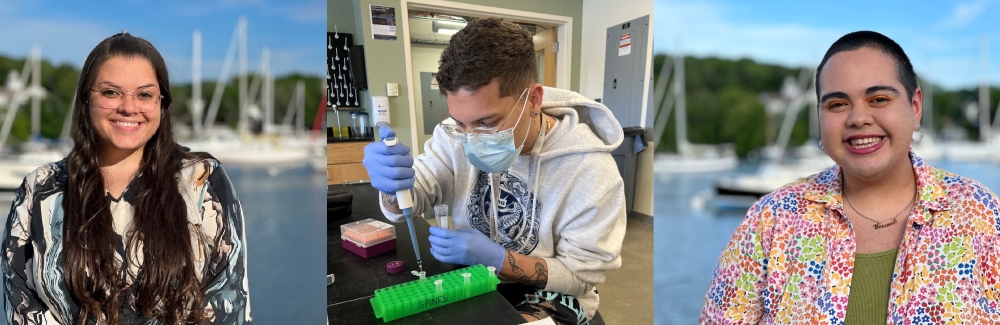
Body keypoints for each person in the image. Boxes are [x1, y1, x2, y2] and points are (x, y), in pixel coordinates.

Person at [699, 30, 1000, 324]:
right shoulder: (770, 221)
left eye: (879, 99)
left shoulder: (980, 214)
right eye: (837, 104)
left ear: (915, 107)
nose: (858, 118)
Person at [363, 17, 627, 325]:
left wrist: (498, 259)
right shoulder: (453, 136)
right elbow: (416, 194)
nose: (471, 138)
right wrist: (391, 185)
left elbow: (580, 278)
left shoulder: (591, 171)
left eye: (488, 124)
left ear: (534, 100)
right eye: (461, 124)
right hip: (471, 279)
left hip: (551, 294)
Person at [2, 33, 251, 324]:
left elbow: (229, 300)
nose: (128, 107)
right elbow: (21, 303)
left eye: (144, 94)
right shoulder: (40, 188)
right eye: (111, 92)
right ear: (86, 98)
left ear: (161, 103)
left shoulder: (202, 181)